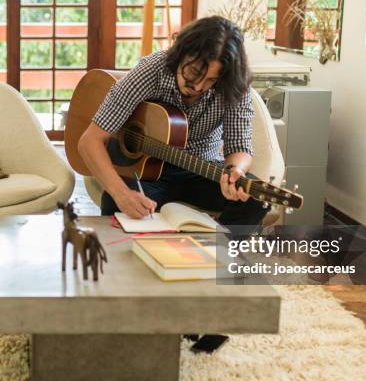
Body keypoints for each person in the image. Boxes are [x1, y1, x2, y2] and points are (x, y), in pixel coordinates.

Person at [78, 15, 269, 229]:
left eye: (211, 81)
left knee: (256, 200)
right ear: (180, 52)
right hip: (147, 173)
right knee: (115, 201)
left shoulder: (234, 83)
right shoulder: (153, 69)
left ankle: (216, 253)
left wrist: (236, 171)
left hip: (201, 169)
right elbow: (90, 140)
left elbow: (240, 146)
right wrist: (121, 194)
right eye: (194, 73)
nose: (197, 86)